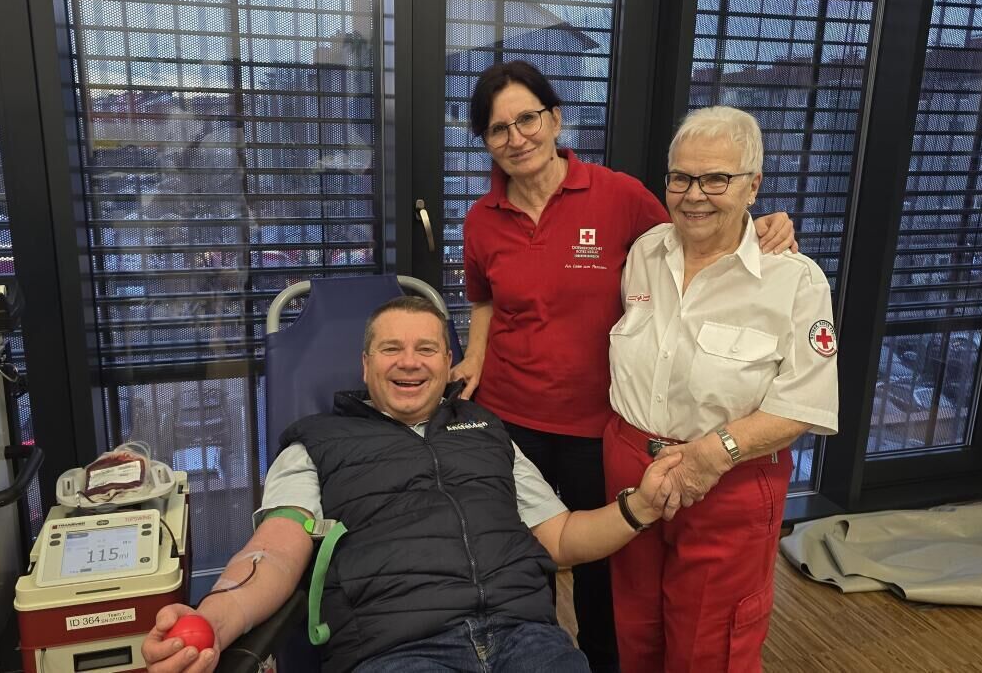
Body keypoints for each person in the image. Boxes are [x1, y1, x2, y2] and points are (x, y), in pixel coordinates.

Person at [450, 59, 797, 671]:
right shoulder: (481, 219)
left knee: (607, 574)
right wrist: (475, 353)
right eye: (498, 128)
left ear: (556, 119)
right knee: (521, 558)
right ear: (485, 141)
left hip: (598, 425)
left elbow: (697, 236)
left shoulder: (618, 196)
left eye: (528, 118)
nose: (517, 137)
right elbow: (484, 298)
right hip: (511, 420)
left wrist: (760, 224)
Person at [142, 296, 687, 673]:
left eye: (426, 349)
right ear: (365, 364)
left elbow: (562, 536)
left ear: (448, 363)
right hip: (398, 649)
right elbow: (275, 553)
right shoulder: (315, 442)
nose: (409, 363)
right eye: (391, 349)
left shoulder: (485, 430)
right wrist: (214, 618)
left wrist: (639, 505)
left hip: (527, 638)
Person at [604, 106, 839, 672]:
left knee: (710, 644)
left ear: (753, 185)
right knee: (635, 631)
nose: (694, 195)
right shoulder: (645, 253)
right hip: (631, 465)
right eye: (681, 178)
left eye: (716, 179)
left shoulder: (795, 280)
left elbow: (803, 403)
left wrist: (714, 454)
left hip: (730, 477)